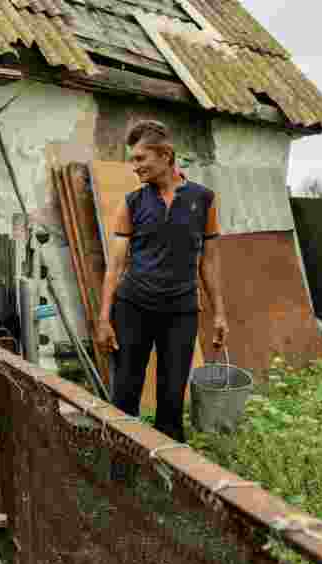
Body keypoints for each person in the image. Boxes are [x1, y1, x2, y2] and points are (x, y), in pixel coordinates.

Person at [97, 120, 228, 444]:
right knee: (125, 394)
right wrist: (104, 318)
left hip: (180, 311)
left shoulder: (203, 200)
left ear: (166, 155)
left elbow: (209, 261)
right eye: (133, 160)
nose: (135, 167)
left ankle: (167, 476)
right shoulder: (133, 203)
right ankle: (121, 467)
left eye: (141, 159)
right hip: (133, 308)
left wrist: (220, 314)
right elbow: (115, 266)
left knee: (172, 398)